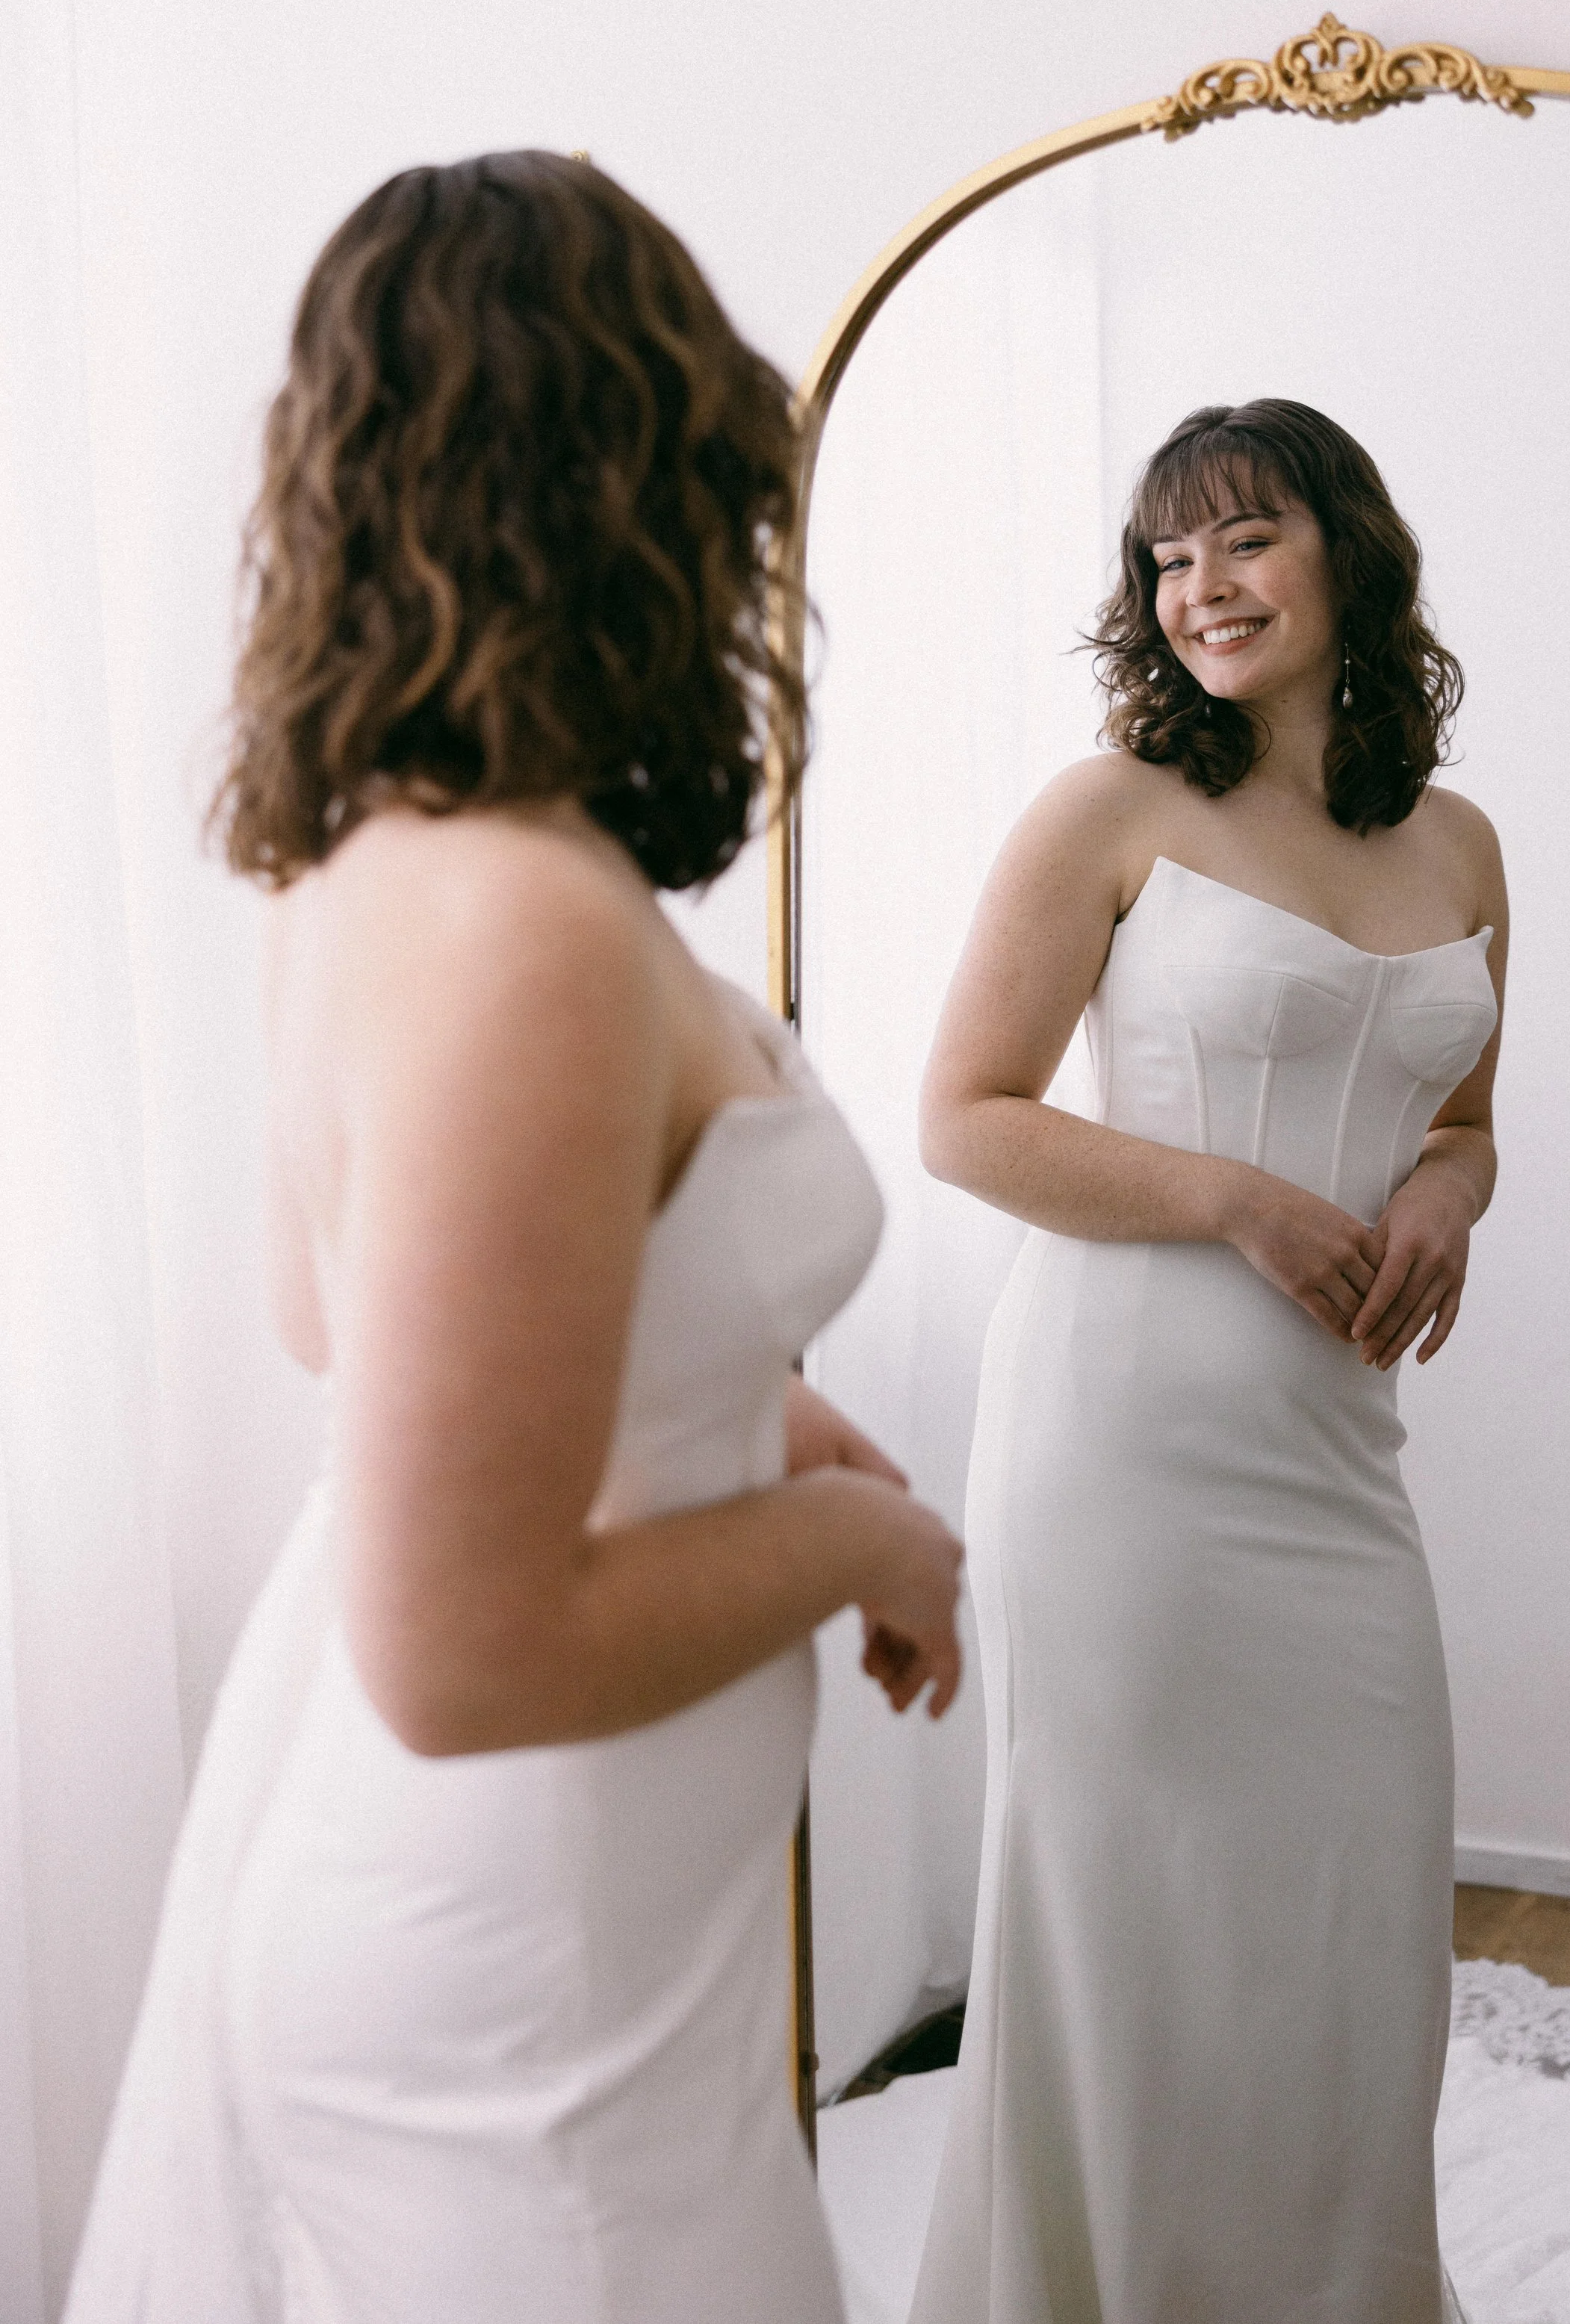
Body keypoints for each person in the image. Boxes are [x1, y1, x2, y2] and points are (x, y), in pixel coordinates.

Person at [63, 151, 964, 2324]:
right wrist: (869, 1541)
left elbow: (351, 1320)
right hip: (515, 1978)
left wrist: (782, 1427)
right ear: (635, 477)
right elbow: (463, 1655)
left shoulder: (367, 863)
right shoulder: (526, 924)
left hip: (579, 1936)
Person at [907, 400, 1508, 2324]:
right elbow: (966, 1119)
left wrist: (1450, 1196)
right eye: (1169, 558)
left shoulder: (1463, 844)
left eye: (1246, 539)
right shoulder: (1111, 809)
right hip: (1123, 1444)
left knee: (1353, 1921)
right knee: (1132, 1922)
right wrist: (1236, 1200)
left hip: (1335, 1453)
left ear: (1350, 555)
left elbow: (1467, 1118)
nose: (1203, 588)